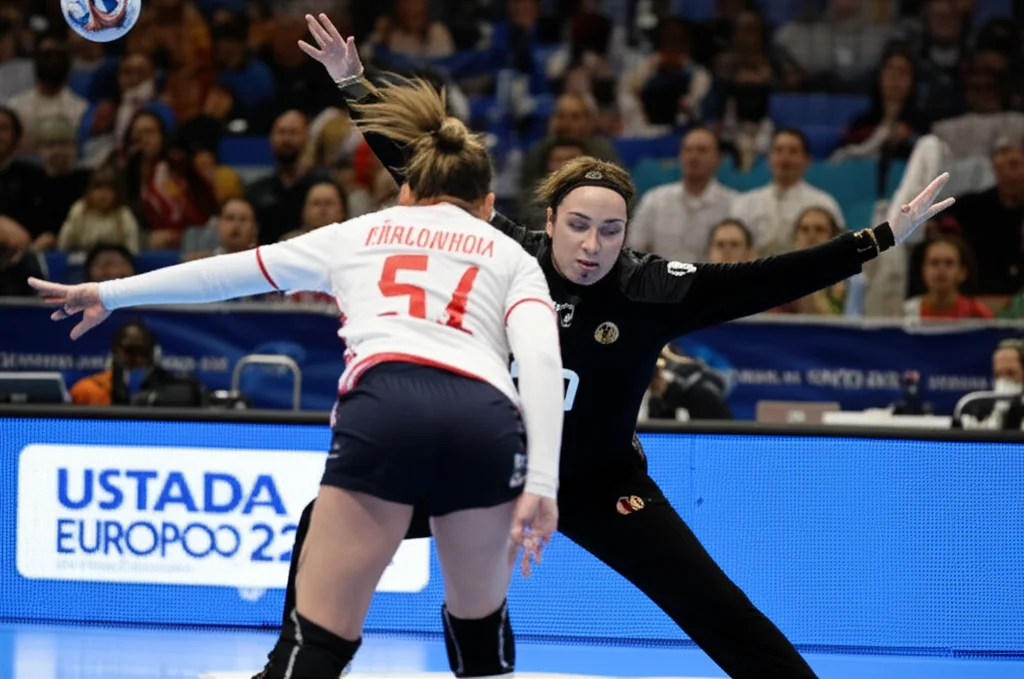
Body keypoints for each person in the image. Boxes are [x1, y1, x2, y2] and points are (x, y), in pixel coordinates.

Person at [249, 15, 959, 679]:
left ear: (629, 230)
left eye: (611, 230)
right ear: (549, 218)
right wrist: (351, 82)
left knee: (712, 602)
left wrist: (879, 237)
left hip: (599, 483)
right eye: (580, 225)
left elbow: (766, 279)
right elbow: (423, 174)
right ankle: (290, 664)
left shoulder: (652, 289)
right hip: (487, 470)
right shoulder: (502, 252)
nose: (593, 246)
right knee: (322, 519)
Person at [29, 72, 564, 679]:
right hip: (485, 420)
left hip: (385, 406)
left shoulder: (358, 233)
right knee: (479, 640)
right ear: (489, 207)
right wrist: (541, 483)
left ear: (406, 193)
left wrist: (109, 292)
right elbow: (542, 363)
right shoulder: (514, 256)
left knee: (322, 640)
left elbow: (224, 275)